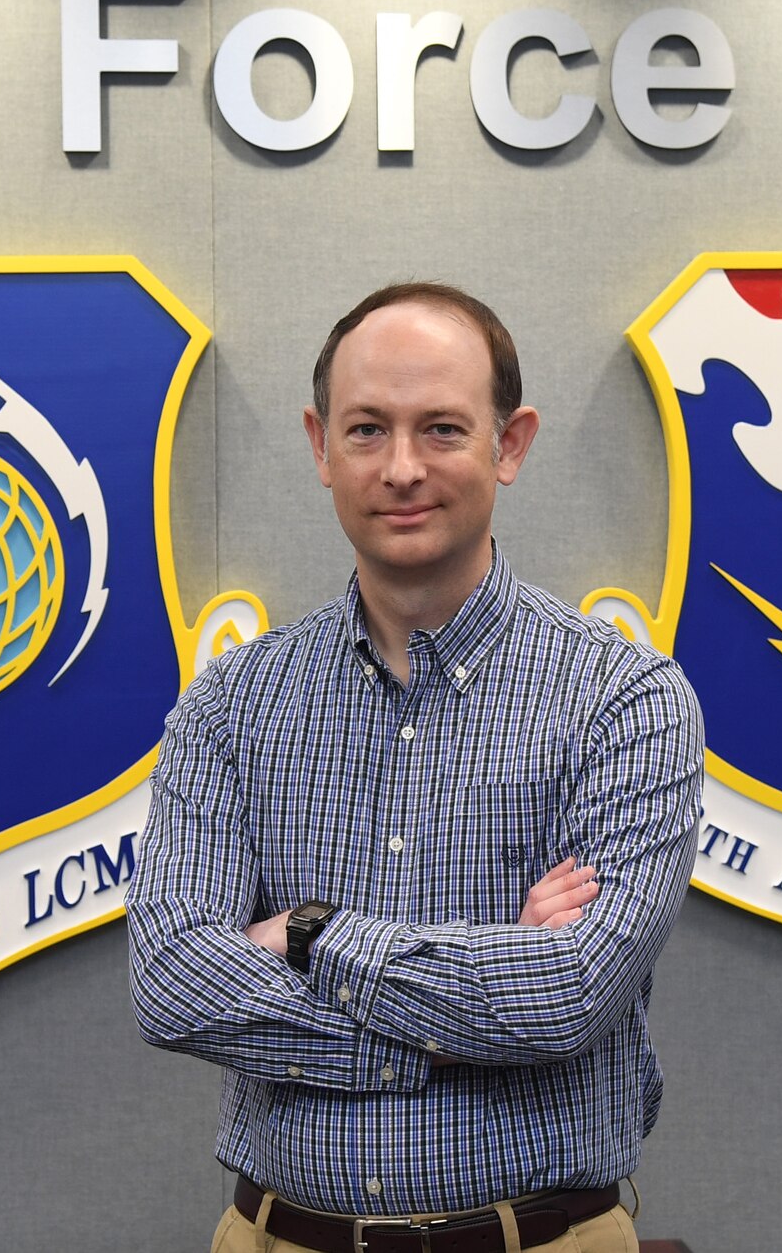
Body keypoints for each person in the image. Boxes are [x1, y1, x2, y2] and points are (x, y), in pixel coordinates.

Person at [126, 283, 703, 1253]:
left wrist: (309, 933)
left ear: (507, 443)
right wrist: (477, 1004)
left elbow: (565, 994)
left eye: (440, 427)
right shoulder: (230, 704)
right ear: (319, 444)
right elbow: (173, 980)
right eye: (365, 429)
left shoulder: (625, 698)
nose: (400, 467)